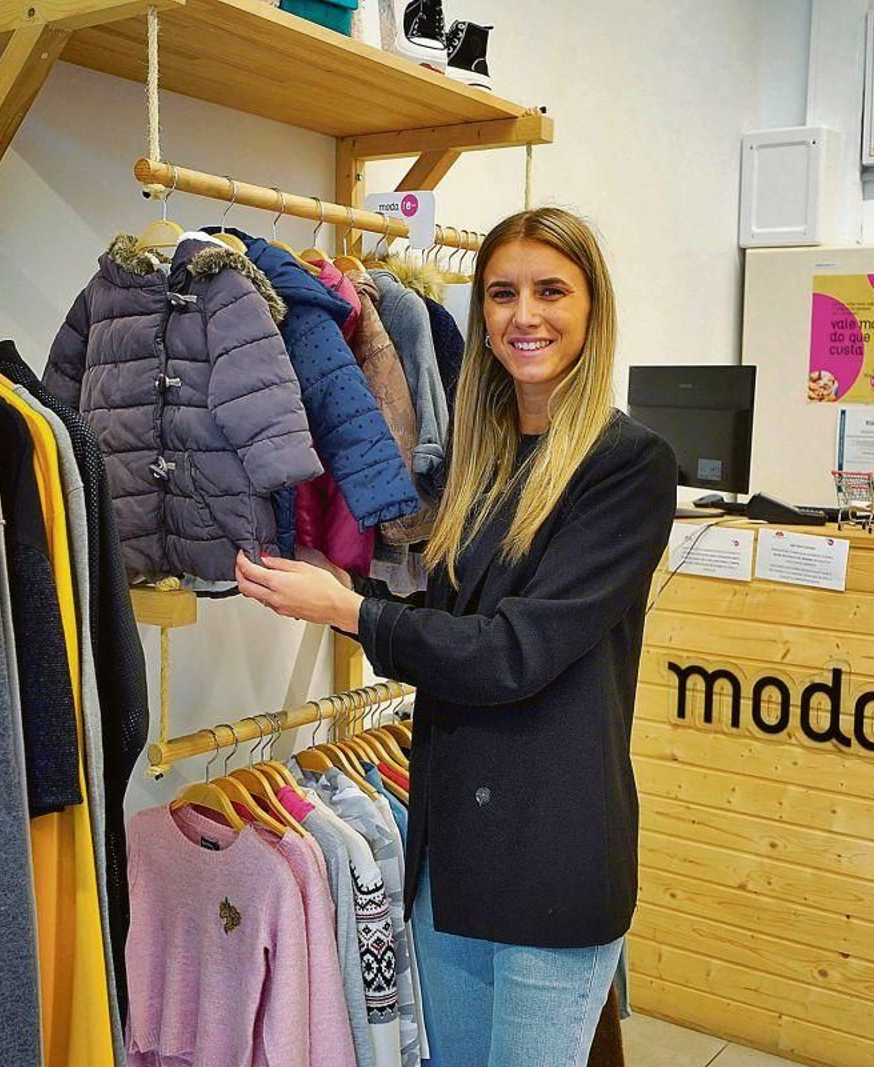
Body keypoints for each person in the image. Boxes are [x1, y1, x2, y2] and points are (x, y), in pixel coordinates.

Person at [234, 207, 678, 1066]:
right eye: (503, 293)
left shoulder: (628, 465)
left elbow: (514, 653)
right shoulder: (482, 457)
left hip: (553, 863)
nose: (525, 315)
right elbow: (443, 624)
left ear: (592, 308)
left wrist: (350, 611)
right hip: (452, 863)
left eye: (552, 291)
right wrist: (340, 584)